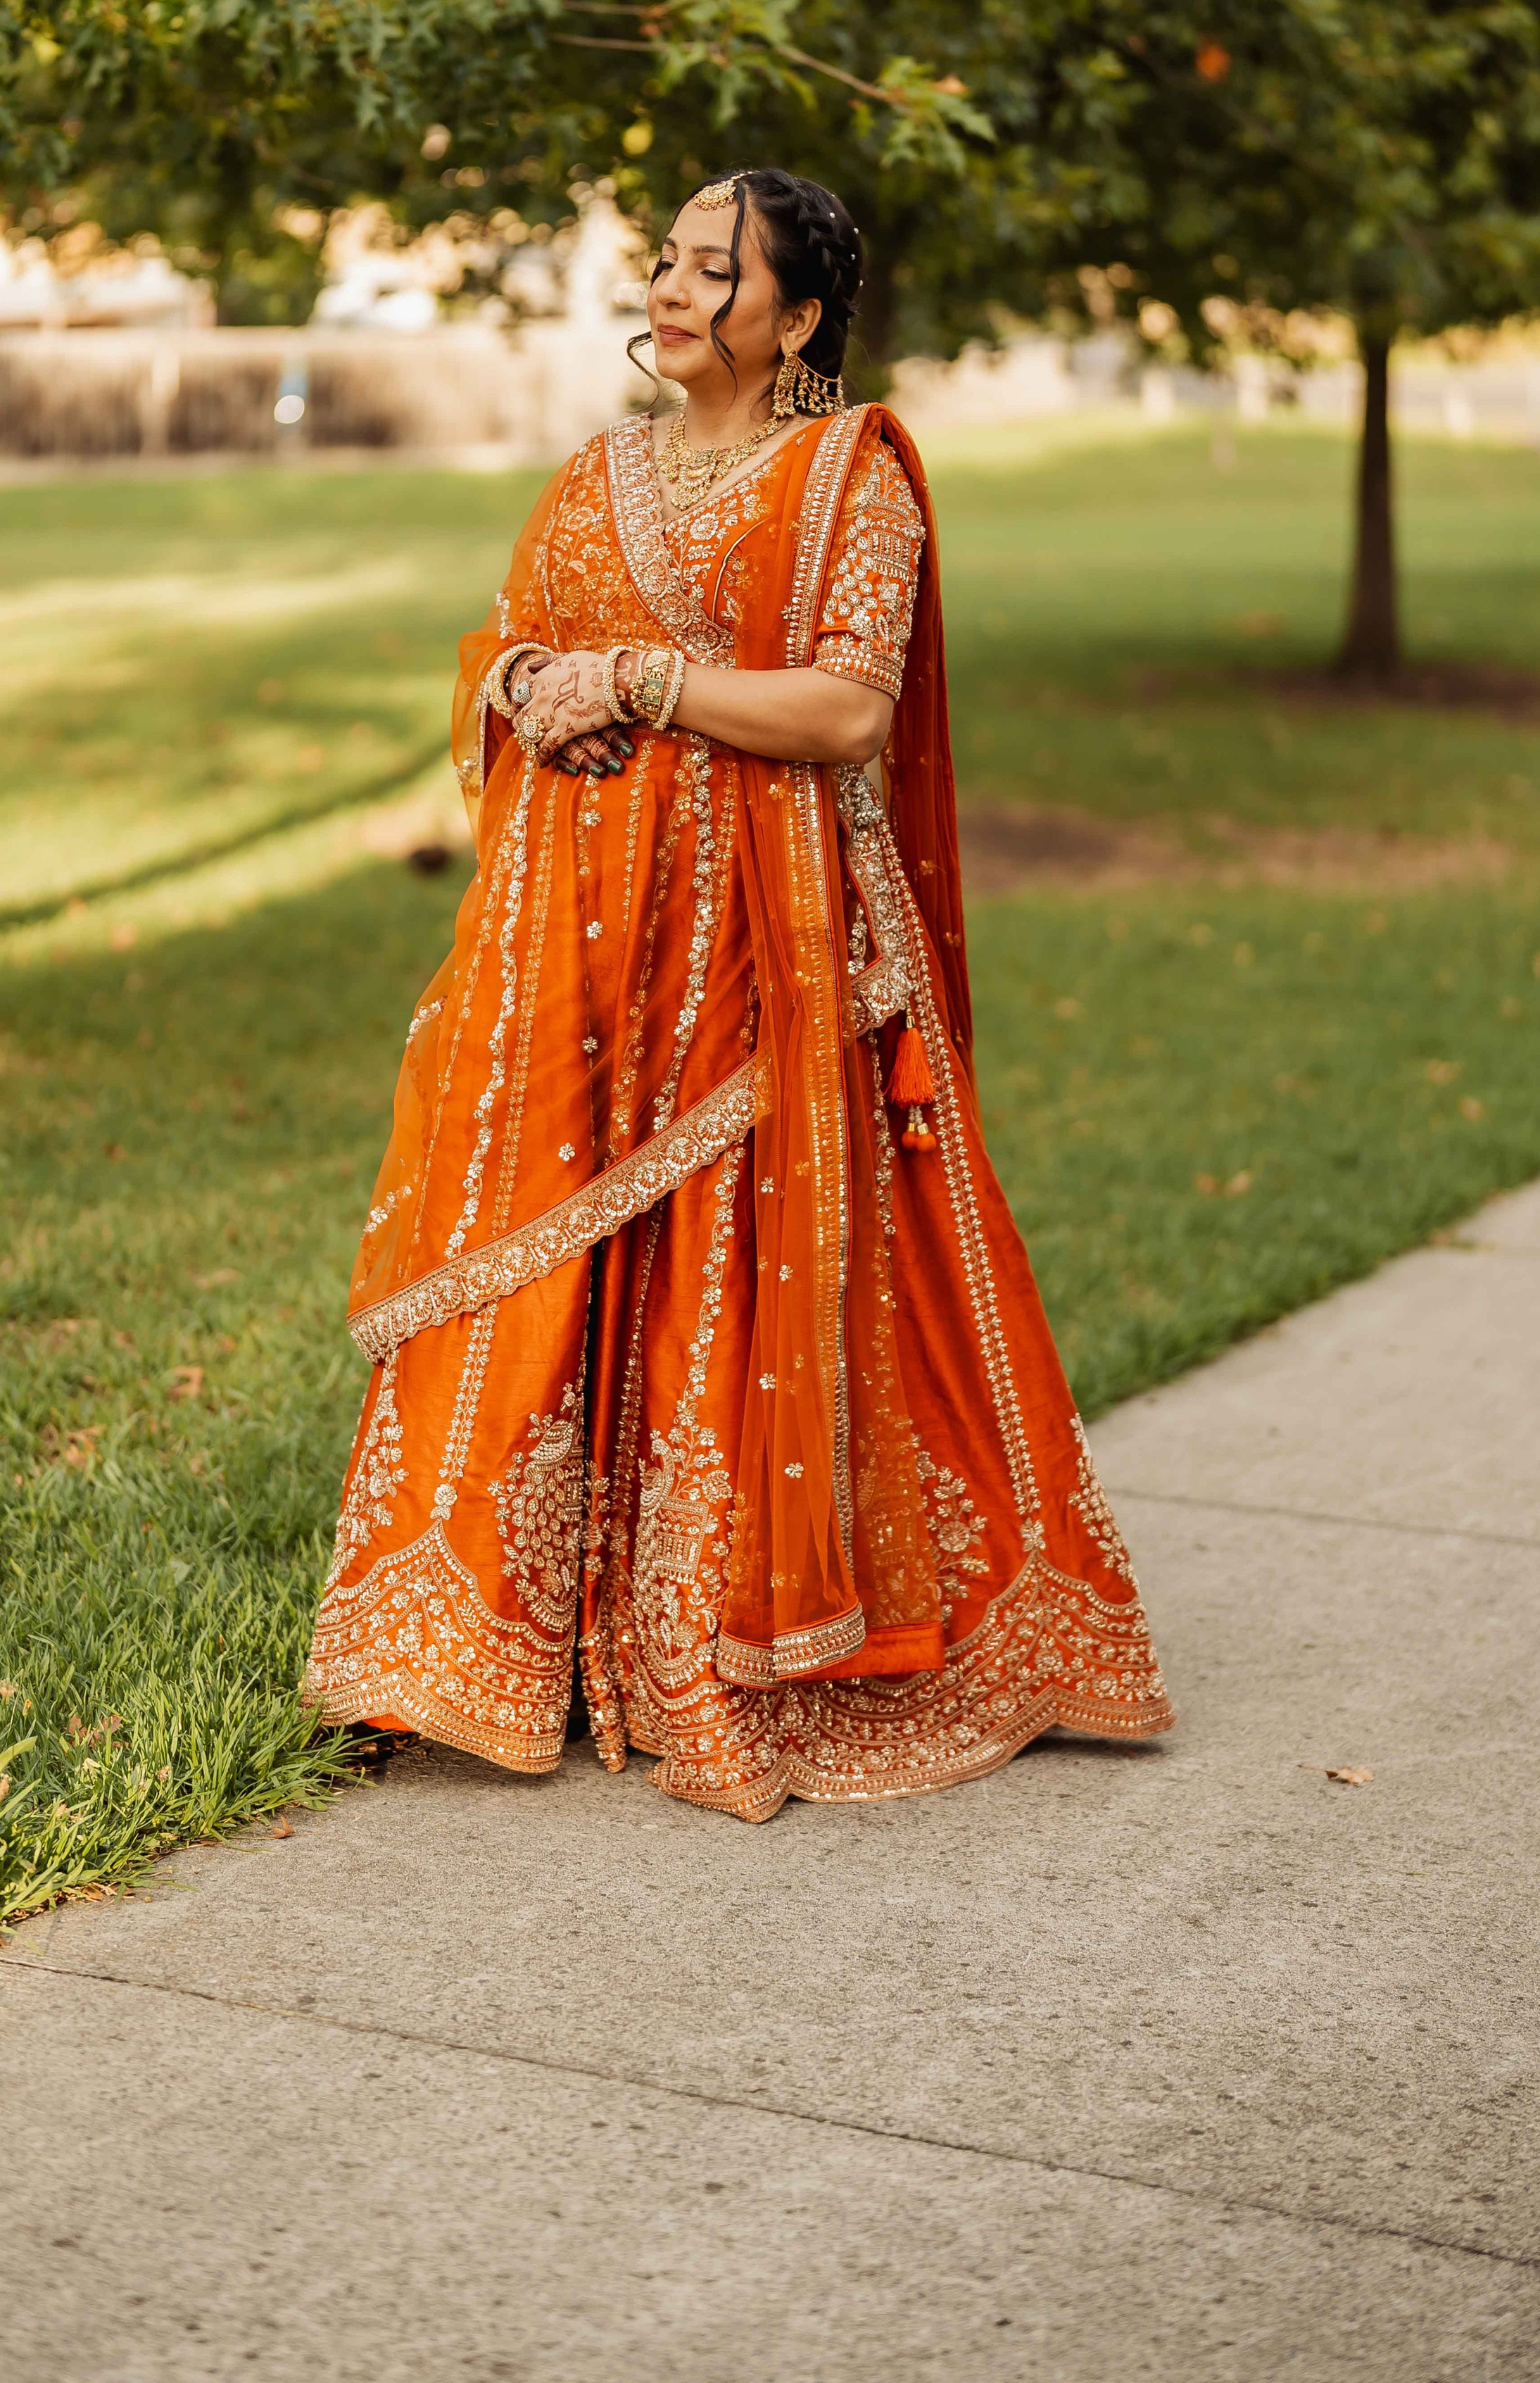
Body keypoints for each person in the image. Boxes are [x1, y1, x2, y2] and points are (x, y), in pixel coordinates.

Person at [303, 167, 1173, 1820]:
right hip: (582, 961)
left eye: (719, 270)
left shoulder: (851, 475)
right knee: (541, 1272)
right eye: (669, 262)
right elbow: (504, 645)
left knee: (749, 1282)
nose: (677, 291)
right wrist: (520, 685)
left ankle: (742, 1635)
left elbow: (848, 713)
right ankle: (486, 1647)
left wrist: (641, 678)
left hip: (769, 975)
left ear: (797, 316)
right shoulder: (592, 475)